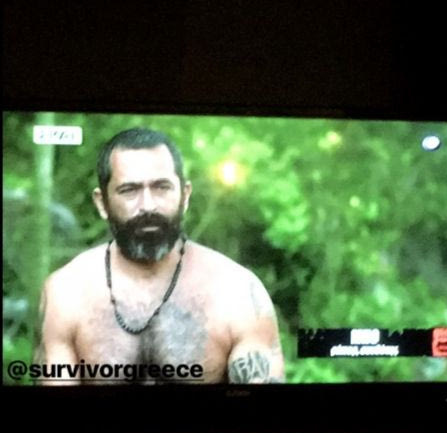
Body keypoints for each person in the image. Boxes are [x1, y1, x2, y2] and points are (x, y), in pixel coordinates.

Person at [36, 128, 284, 383]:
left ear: (185, 196)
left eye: (161, 187)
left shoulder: (238, 292)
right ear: (102, 203)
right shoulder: (66, 293)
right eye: (129, 190)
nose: (148, 205)